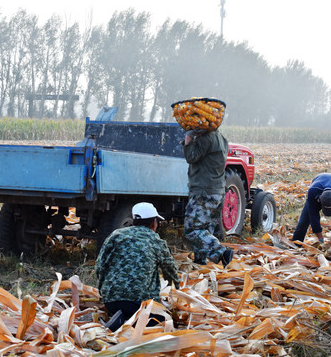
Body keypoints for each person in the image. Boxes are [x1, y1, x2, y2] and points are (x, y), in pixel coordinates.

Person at [95, 202, 180, 331]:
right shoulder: (155, 240)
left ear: (134, 221)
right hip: (140, 304)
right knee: (162, 321)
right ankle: (126, 324)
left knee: (126, 310)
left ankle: (119, 318)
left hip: (111, 301)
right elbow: (170, 271)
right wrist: (176, 291)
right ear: (153, 223)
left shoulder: (116, 235)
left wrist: (104, 292)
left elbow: (100, 266)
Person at [182, 129, 233, 267]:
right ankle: (200, 261)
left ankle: (222, 253)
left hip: (204, 191)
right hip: (217, 190)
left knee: (192, 229)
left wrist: (188, 139)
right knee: (205, 228)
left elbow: (191, 157)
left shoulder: (206, 138)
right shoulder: (221, 138)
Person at [292, 173, 331, 253]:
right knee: (303, 222)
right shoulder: (313, 192)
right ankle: (295, 247)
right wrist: (321, 240)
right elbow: (313, 217)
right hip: (317, 188)